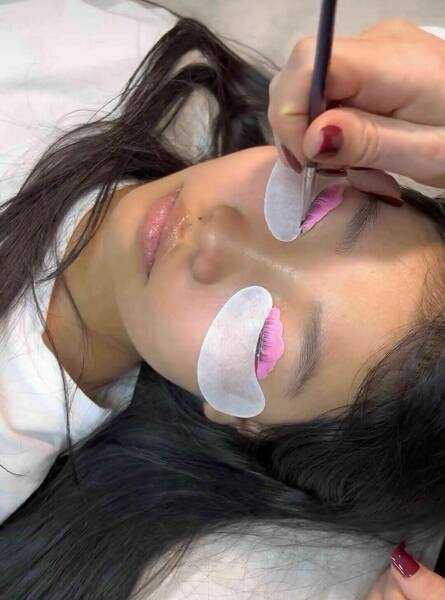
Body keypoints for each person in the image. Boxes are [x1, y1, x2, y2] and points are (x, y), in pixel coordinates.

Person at [0, 12, 445, 599]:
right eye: (311, 210)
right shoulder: (129, 55)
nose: (215, 238)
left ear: (243, 420)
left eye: (259, 337)